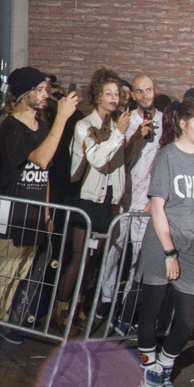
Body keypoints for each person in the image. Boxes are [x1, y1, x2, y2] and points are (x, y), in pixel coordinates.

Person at [0, 67, 79, 352]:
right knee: (2, 272)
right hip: (13, 212)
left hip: (34, 213)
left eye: (47, 90)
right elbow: (41, 160)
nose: (46, 95)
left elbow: (43, 176)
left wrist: (46, 212)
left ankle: (3, 320)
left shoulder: (43, 127)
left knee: (19, 274)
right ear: (23, 94)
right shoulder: (10, 125)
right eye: (40, 90)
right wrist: (62, 118)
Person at [136, 99, 194, 387]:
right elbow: (157, 207)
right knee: (152, 312)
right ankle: (149, 373)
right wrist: (169, 252)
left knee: (187, 320)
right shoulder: (168, 155)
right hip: (162, 243)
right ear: (183, 123)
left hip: (191, 248)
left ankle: (163, 366)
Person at [57, 68, 129, 329]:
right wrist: (119, 135)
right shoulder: (84, 125)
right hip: (86, 197)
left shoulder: (113, 124)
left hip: (106, 199)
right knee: (79, 258)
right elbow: (97, 159)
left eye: (117, 93)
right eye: (108, 93)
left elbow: (118, 165)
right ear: (98, 95)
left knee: (93, 260)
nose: (113, 98)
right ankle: (61, 309)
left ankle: (78, 307)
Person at [96, 74, 162, 318]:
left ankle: (128, 306)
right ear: (133, 95)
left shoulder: (166, 121)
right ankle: (105, 298)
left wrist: (157, 198)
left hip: (148, 201)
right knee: (113, 252)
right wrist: (136, 137)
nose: (146, 95)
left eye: (149, 90)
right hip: (124, 198)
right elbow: (117, 159)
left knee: (140, 256)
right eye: (140, 91)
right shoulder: (124, 121)